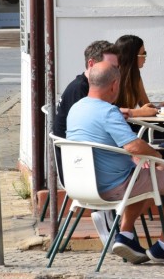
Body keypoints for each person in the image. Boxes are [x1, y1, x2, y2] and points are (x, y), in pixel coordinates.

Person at [66, 63, 164, 265]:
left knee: (146, 176)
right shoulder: (108, 111)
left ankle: (126, 236)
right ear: (115, 85)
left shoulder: (76, 108)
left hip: (79, 186)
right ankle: (163, 246)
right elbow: (133, 146)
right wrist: (157, 155)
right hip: (113, 186)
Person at [52, 40, 121, 245]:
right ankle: (120, 230)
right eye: (111, 68)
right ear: (92, 64)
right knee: (145, 171)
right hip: (81, 169)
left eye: (117, 69)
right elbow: (90, 134)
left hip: (84, 164)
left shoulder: (86, 88)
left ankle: (117, 226)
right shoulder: (80, 90)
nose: (116, 75)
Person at [114, 34, 157, 118]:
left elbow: (146, 105)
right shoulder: (111, 76)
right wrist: (139, 112)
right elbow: (107, 112)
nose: (145, 57)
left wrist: (160, 108)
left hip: (129, 124)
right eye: (143, 53)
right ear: (132, 57)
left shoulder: (135, 76)